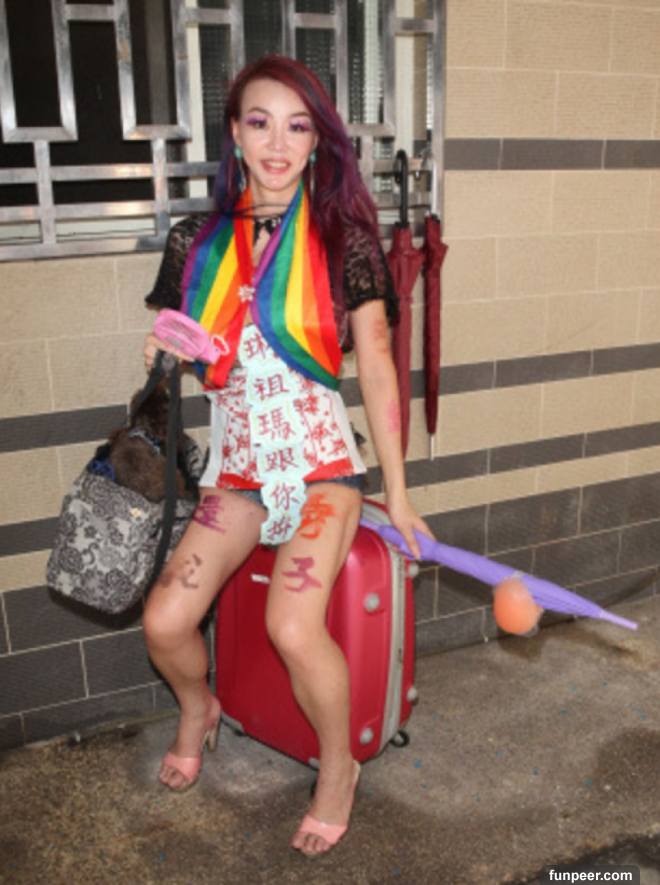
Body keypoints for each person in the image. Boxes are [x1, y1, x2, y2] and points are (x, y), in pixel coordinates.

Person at [142, 55, 433, 856]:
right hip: (237, 471)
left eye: (297, 126)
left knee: (293, 625)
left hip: (319, 468)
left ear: (317, 141)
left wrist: (399, 493)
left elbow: (378, 366)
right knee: (165, 620)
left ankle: (339, 767)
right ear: (234, 135)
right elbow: (176, 343)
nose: (277, 143)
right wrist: (164, 351)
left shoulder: (344, 240)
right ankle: (198, 706)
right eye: (259, 123)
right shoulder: (194, 242)